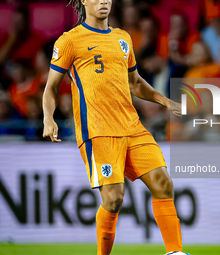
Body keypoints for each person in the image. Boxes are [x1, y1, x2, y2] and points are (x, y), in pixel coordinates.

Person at [42, 1, 187, 255]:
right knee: (114, 199)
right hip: (98, 131)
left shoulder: (123, 38)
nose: (103, 2)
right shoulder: (69, 41)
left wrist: (164, 100)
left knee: (163, 182)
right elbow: (51, 87)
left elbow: (135, 83)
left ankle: (174, 252)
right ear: (83, 1)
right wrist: (48, 117)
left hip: (132, 127)